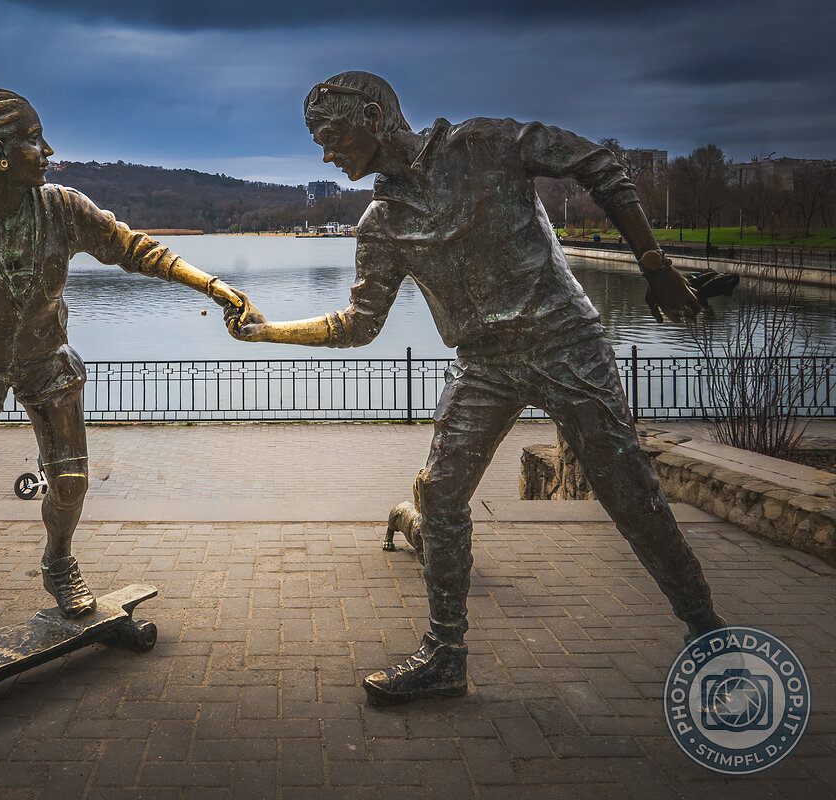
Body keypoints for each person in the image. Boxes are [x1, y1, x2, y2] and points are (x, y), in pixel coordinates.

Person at [225, 71, 725, 704]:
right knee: (439, 492)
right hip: (483, 364)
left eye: (332, 135)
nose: (326, 153)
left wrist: (655, 266)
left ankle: (706, 628)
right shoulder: (380, 224)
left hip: (565, 343)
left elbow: (600, 164)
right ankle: (445, 654)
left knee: (628, 490)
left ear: (375, 116)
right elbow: (359, 325)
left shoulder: (484, 145)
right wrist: (271, 333)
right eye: (317, 140)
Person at [0, 87, 243, 689]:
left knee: (70, 481)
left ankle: (58, 561)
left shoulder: (61, 208)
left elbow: (133, 248)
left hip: (45, 358)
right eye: (34, 142)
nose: (48, 152)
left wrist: (212, 286)